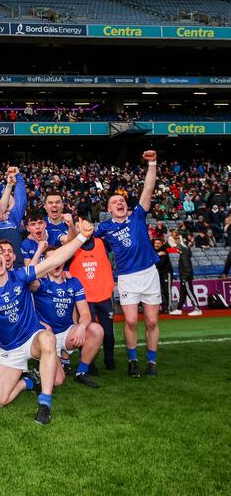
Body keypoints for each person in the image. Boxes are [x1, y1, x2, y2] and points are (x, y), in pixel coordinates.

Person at [0, 220, 94, 424]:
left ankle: (44, 404)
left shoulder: (20, 276)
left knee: (48, 339)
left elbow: (53, 259)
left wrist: (82, 237)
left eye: (0, 253)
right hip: (10, 350)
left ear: (7, 260)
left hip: (32, 339)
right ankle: (30, 380)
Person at [94, 151, 161, 378]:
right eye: (114, 202)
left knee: (151, 321)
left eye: (122, 200)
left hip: (149, 273)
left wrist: (151, 163)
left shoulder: (138, 216)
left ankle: (151, 361)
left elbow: (148, 189)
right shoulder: (104, 228)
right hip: (127, 277)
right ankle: (133, 360)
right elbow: (85, 240)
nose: (119, 203)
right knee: (131, 320)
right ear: (109, 210)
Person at [32, 252, 104, 388]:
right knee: (58, 380)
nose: (57, 263)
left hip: (67, 333)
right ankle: (36, 372)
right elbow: (28, 277)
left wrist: (82, 328)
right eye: (52, 260)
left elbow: (85, 313)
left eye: (60, 259)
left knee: (96, 330)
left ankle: (81, 373)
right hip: (47, 335)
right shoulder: (40, 282)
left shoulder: (74, 282)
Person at [69, 236, 117, 370]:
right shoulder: (72, 246)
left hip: (103, 296)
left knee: (108, 332)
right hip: (84, 300)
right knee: (86, 333)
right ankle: (88, 363)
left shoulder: (102, 243)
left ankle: (109, 358)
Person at [171, 236, 202, 316]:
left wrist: (185, 277)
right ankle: (179, 309)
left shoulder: (184, 256)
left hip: (186, 277)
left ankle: (197, 308)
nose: (177, 250)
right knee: (182, 293)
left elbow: (187, 267)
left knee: (190, 292)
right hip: (184, 277)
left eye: (178, 248)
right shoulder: (184, 255)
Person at [154, 238, 174, 313]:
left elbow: (158, 264)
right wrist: (156, 255)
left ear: (161, 244)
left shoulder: (164, 251)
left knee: (167, 290)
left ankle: (169, 308)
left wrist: (155, 256)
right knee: (160, 291)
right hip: (159, 274)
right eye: (156, 243)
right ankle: (162, 307)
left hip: (167, 273)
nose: (156, 244)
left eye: (158, 243)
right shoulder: (155, 251)